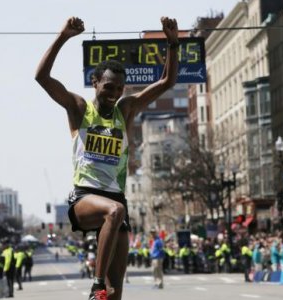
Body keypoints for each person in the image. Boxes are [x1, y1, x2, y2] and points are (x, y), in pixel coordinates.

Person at [35, 16, 179, 300]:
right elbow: (42, 77)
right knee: (113, 211)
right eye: (108, 86)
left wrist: (173, 43)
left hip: (117, 199)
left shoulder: (125, 109)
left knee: (115, 295)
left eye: (118, 88)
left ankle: (106, 290)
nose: (113, 93)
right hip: (85, 199)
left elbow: (167, 81)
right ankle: (96, 283)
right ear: (95, 82)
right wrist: (63, 36)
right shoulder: (79, 108)